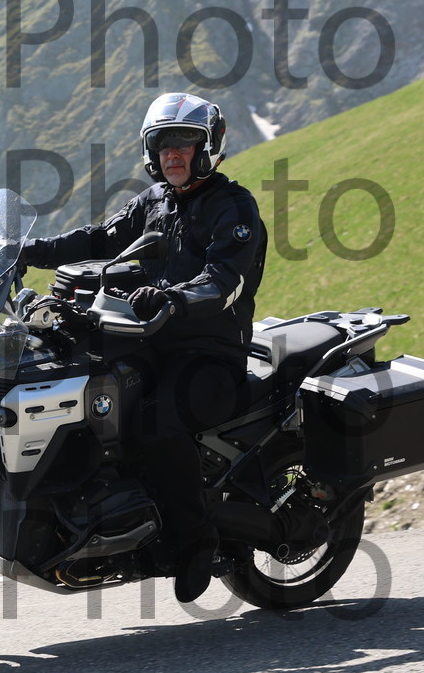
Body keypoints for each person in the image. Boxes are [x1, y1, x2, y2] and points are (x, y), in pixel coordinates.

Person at [19, 92, 267, 603]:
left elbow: (225, 280)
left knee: (156, 421)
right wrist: (28, 251)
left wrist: (173, 298)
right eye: (163, 144)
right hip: (146, 338)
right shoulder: (154, 201)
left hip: (208, 353)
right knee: (89, 389)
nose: (173, 154)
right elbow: (99, 238)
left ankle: (195, 541)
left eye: (185, 143)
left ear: (208, 148)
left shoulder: (233, 206)